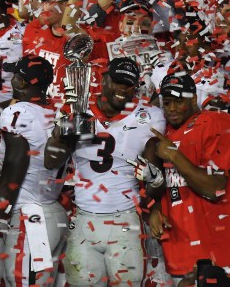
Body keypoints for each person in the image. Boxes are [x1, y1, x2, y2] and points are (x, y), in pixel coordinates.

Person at [45, 57, 166, 286]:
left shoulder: (151, 117)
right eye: (118, 81)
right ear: (103, 79)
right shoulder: (77, 110)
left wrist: (155, 199)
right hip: (83, 218)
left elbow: (155, 179)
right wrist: (62, 131)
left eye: (129, 84)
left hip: (126, 219)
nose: (123, 89)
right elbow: (51, 162)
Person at [146, 74, 230, 283]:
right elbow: (159, 184)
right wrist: (155, 208)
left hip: (216, 247)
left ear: (193, 99)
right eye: (167, 103)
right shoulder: (163, 133)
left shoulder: (217, 122)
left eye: (179, 101)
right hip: (179, 244)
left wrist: (175, 155)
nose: (172, 108)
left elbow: (215, 188)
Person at [0, 55, 67, 286]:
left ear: (22, 82)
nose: (12, 79)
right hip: (53, 211)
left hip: (31, 217)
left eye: (16, 76)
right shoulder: (55, 112)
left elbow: (15, 167)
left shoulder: (19, 112)